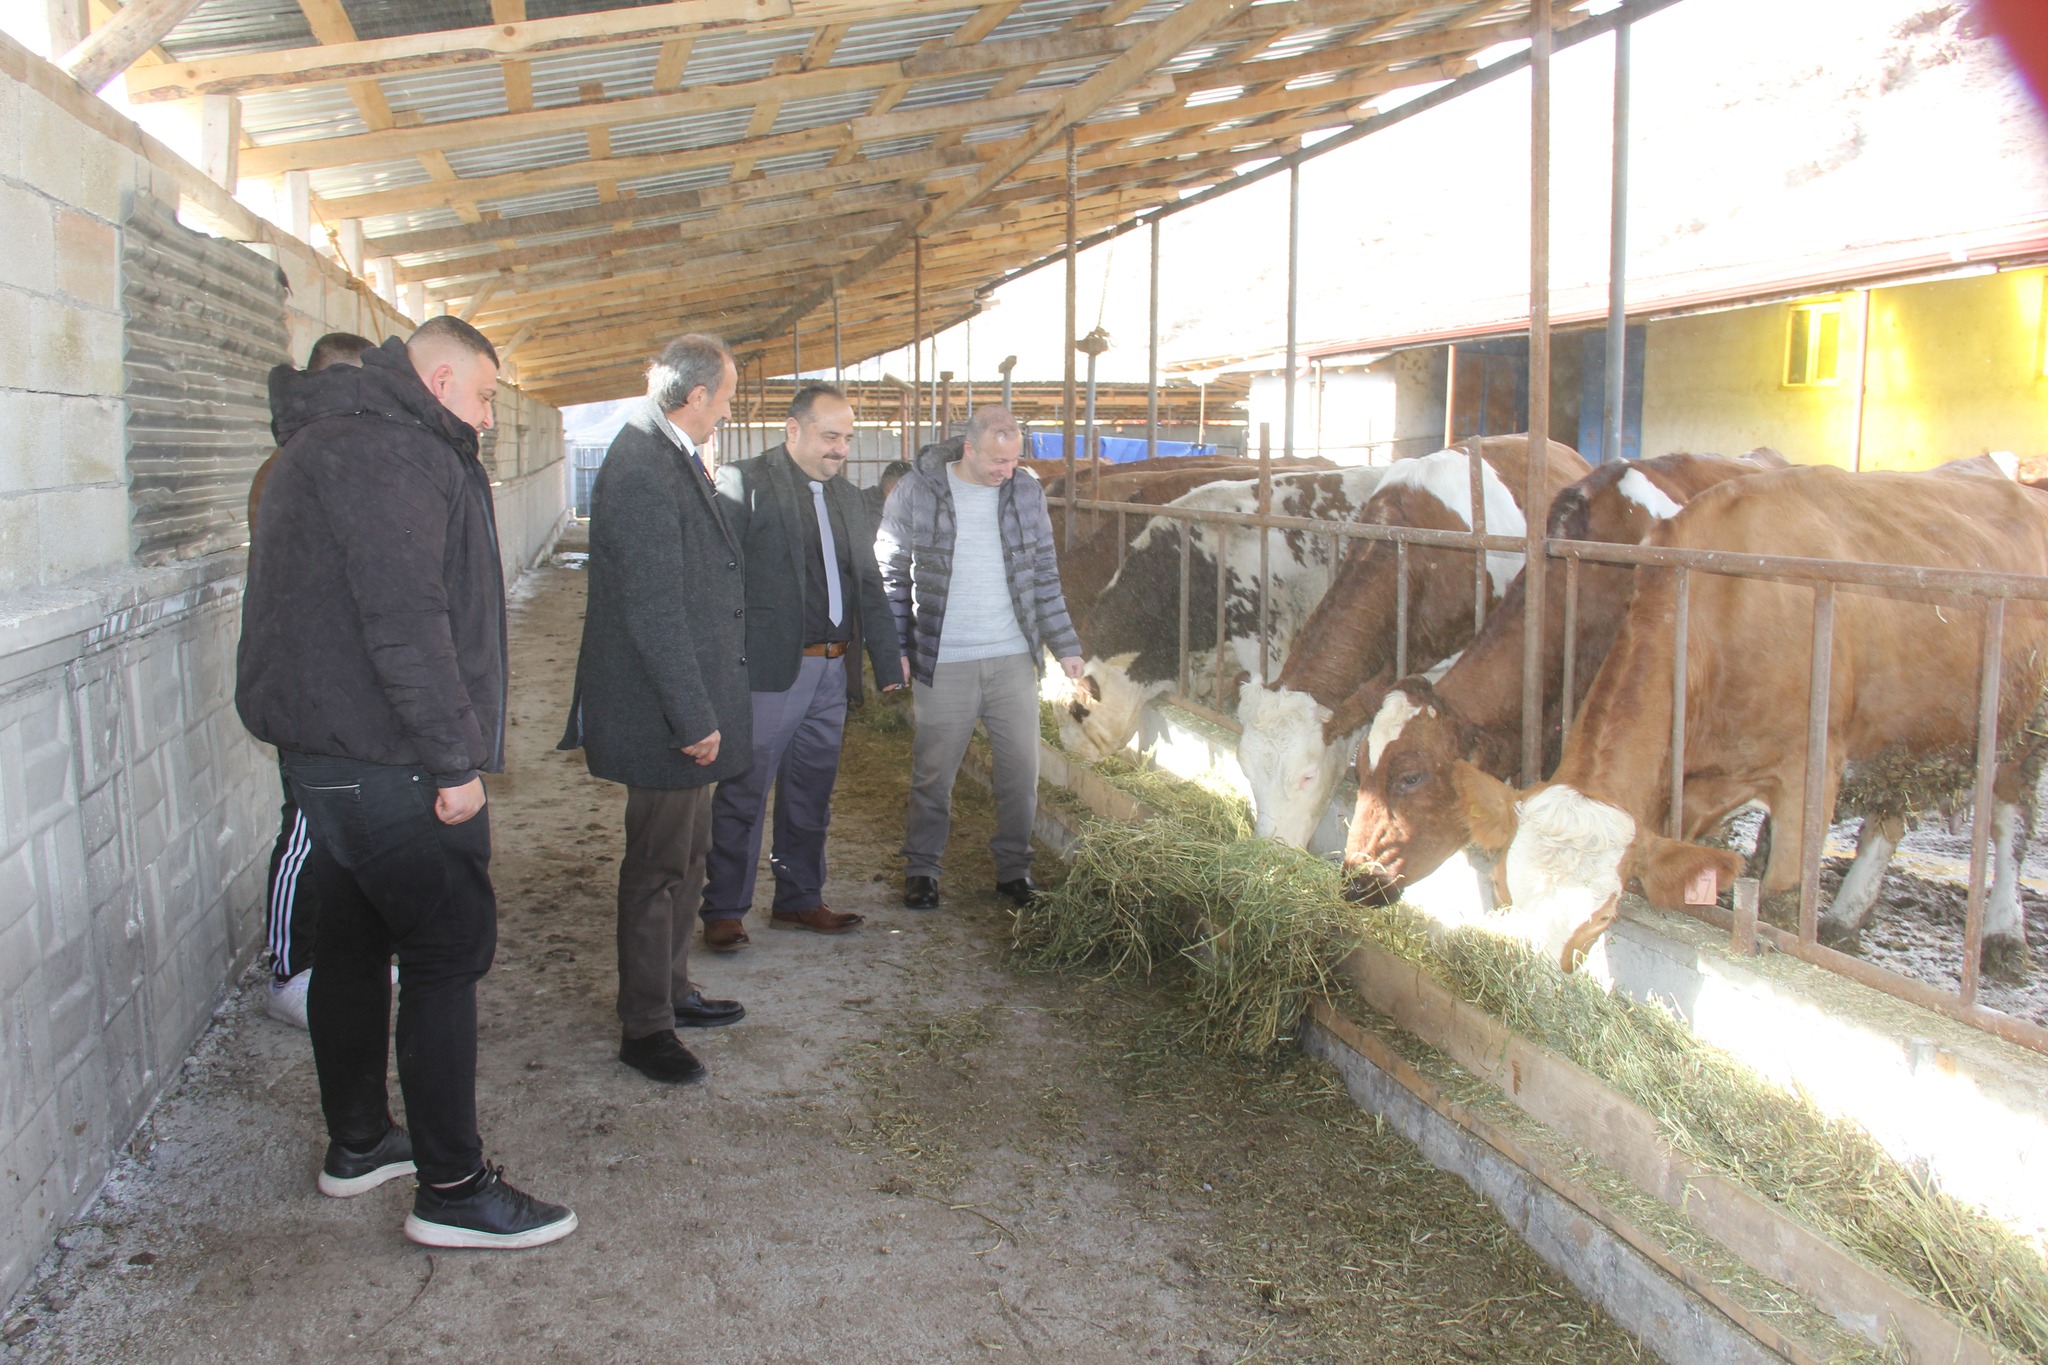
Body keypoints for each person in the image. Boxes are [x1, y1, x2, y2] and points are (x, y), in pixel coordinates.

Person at [237, 316, 576, 1250]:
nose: (487, 416)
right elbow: (406, 622)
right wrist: (455, 763)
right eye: (480, 395)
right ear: (436, 379)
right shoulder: (389, 453)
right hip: (390, 759)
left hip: (328, 754)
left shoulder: (335, 438)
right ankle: (454, 1188)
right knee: (444, 949)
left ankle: (357, 1142)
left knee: (349, 943)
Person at [559, 334, 753, 1085]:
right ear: (697, 395)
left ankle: (671, 990)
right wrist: (693, 715)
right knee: (656, 866)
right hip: (662, 713)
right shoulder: (642, 465)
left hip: (680, 705)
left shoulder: (662, 451)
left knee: (687, 856)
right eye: (727, 397)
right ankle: (644, 1025)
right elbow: (652, 610)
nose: (727, 411)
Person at [698, 384, 906, 953]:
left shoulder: (844, 497)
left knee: (811, 790)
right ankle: (724, 909)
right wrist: (721, 667)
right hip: (771, 671)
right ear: (793, 430)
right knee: (746, 788)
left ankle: (798, 897)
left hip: (832, 672)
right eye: (830, 436)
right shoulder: (746, 483)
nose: (840, 450)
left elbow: (867, 580)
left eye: (847, 439)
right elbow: (719, 584)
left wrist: (887, 659)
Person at [875, 406, 1085, 910]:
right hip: (942, 657)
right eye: (996, 460)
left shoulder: (1026, 492)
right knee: (934, 772)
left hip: (1013, 656)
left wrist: (1066, 646)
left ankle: (1014, 870)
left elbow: (1044, 576)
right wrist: (896, 648)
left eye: (1013, 461)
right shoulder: (918, 491)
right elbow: (890, 571)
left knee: (1020, 774)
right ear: (968, 449)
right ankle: (922, 868)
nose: (1004, 471)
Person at [250, 330, 373, 1030]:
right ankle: (288, 967)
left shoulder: (327, 460)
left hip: (339, 681)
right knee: (305, 825)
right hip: (304, 685)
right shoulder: (292, 467)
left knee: (347, 828)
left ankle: (337, 952)